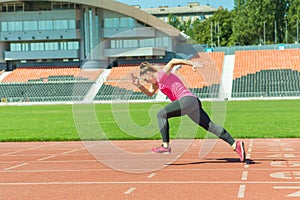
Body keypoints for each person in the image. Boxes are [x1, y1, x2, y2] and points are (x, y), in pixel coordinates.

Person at [130, 59, 246, 162]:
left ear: (150, 73)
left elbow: (173, 61)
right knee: (210, 126)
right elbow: (150, 93)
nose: (148, 83)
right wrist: (139, 85)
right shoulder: (158, 82)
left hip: (186, 100)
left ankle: (166, 146)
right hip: (193, 102)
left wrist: (191, 64)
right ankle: (235, 145)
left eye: (146, 80)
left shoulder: (161, 75)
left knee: (161, 114)